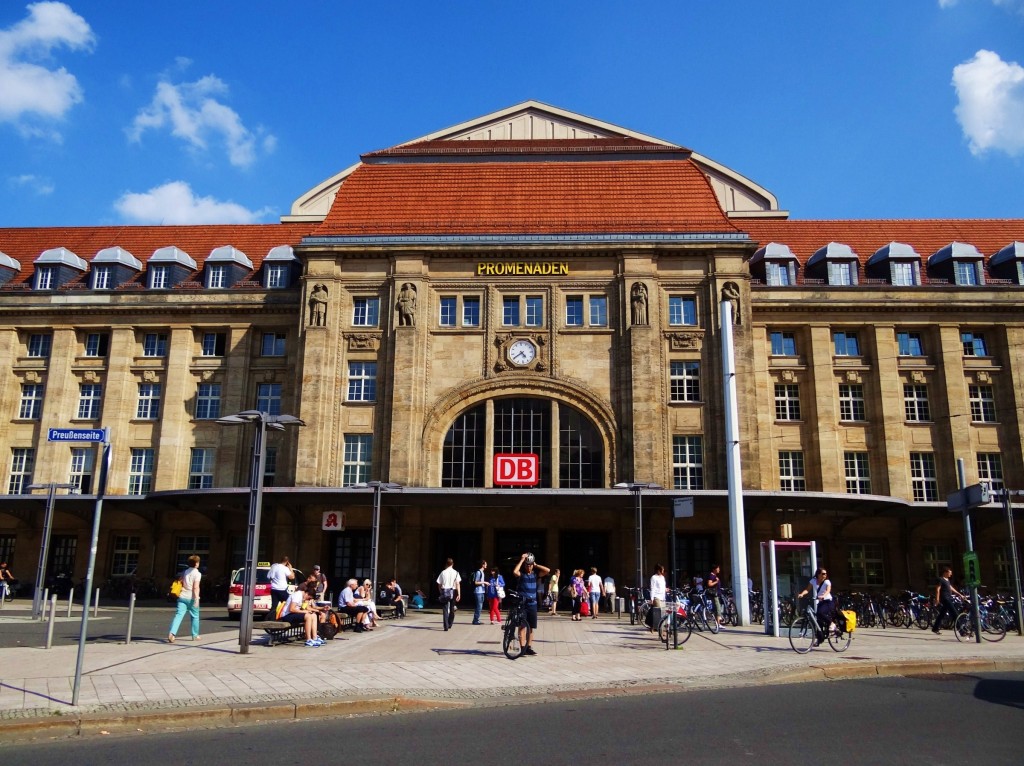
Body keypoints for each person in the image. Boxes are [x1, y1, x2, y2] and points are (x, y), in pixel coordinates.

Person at [513, 552, 550, 655]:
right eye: (527, 565)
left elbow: (547, 570)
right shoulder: (522, 575)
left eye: (530, 565)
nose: (529, 567)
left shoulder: (535, 575)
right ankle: (522, 648)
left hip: (532, 604)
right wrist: (522, 560)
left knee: (531, 627)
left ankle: (528, 647)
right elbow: (515, 571)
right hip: (523, 604)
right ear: (524, 566)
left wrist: (536, 565)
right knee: (522, 626)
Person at [168, 555, 202, 643]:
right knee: (195, 616)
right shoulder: (197, 574)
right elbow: (196, 587)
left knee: (178, 616)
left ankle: (172, 633)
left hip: (182, 596)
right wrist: (197, 598)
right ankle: (195, 635)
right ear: (196, 563)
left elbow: (181, 582)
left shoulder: (185, 572)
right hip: (191, 597)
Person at [797, 567, 834, 645]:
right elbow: (807, 589)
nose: (825, 575)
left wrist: (823, 596)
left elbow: (828, 590)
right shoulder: (813, 581)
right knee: (818, 621)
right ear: (818, 574)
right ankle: (820, 639)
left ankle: (831, 623)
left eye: (826, 574)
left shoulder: (827, 582)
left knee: (820, 613)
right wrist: (802, 594)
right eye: (823, 573)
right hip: (821, 602)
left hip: (828, 602)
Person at [280, 582, 324, 647]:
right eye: (309, 598)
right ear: (306, 593)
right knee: (308, 616)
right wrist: (304, 612)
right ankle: (308, 639)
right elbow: (291, 609)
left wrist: (315, 611)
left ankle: (314, 637)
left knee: (313, 615)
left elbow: (306, 607)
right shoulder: (297, 595)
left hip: (294, 614)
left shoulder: (303, 596)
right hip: (287, 615)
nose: (308, 600)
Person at [932, 566, 966, 635]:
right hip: (945, 598)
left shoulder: (947, 580)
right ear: (945, 572)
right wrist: (937, 599)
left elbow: (951, 588)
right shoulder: (940, 579)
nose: (951, 574)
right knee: (954, 613)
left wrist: (959, 594)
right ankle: (961, 631)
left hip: (949, 598)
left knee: (942, 614)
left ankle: (935, 628)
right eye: (949, 573)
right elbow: (937, 589)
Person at [436, 557, 461, 631]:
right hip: (453, 591)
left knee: (445, 609)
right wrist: (459, 594)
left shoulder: (443, 572)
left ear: (446, 564)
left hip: (444, 591)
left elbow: (439, 584)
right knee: (452, 608)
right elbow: (458, 584)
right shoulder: (456, 573)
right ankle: (450, 623)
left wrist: (441, 591)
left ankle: (445, 625)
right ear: (452, 564)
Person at [472, 559, 488, 625]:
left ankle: (476, 619)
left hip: (482, 591)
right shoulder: (478, 572)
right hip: (478, 591)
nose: (486, 565)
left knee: (480, 606)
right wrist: (484, 582)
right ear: (483, 565)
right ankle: (476, 620)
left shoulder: (482, 572)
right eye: (485, 564)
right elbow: (476, 582)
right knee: (479, 606)